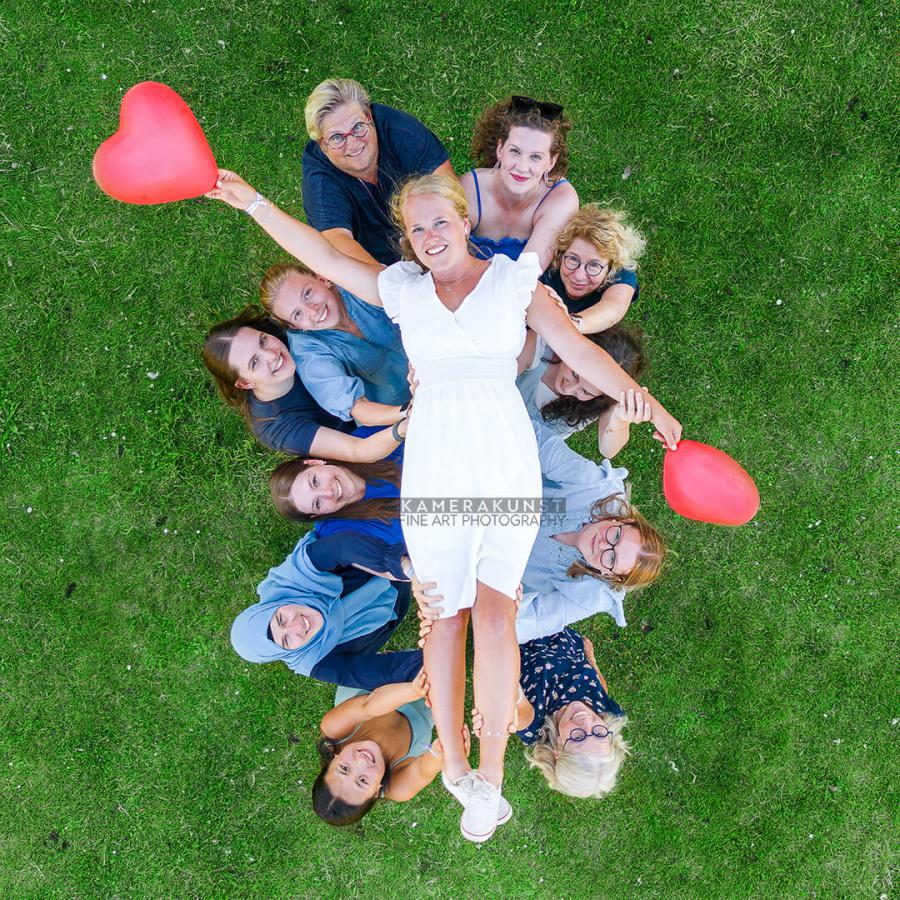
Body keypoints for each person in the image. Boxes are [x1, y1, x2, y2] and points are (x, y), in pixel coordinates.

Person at [205, 167, 681, 844]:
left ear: (463, 222)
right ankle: (458, 769)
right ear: (408, 238)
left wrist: (648, 404)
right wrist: (253, 203)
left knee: (495, 613)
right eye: (416, 228)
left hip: (504, 458)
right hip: (433, 464)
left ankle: (490, 775)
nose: (429, 236)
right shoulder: (402, 289)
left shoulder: (515, 282)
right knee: (444, 619)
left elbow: (576, 347)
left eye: (440, 222)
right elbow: (324, 258)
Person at [202, 307, 408, 461]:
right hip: (372, 432)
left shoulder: (289, 334)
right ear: (245, 382)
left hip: (378, 375)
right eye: (255, 362)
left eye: (263, 341)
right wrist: (407, 421)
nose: (272, 355)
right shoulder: (276, 426)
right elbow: (357, 450)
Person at [230, 533, 420, 689]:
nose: (296, 626)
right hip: (392, 612)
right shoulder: (313, 661)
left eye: (281, 619)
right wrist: (440, 659)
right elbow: (383, 673)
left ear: (273, 606)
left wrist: (403, 567)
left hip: (383, 552)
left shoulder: (293, 579)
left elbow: (341, 547)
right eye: (286, 640)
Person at [301, 78, 454, 266]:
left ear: (370, 118)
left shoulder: (400, 131)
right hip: (376, 260)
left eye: (358, 127)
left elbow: (449, 193)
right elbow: (335, 241)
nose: (353, 143)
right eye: (337, 137)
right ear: (323, 145)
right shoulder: (320, 179)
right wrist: (389, 281)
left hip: (431, 233)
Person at [313, 676, 490, 827]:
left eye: (344, 768)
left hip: (372, 682)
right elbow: (424, 769)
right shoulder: (399, 789)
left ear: (333, 759)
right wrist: (446, 750)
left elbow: (369, 704)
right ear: (376, 791)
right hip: (421, 707)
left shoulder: (334, 729)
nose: (360, 762)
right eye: (362, 780)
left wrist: (414, 690)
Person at [473, 628, 629, 799]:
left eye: (578, 737)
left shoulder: (531, 723)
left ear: (558, 749)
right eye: (599, 734)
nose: (586, 722)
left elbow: (502, 673)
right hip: (559, 630)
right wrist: (591, 659)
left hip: (514, 631)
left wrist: (492, 714)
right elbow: (601, 687)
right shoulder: (603, 710)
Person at [259, 262, 411, 425]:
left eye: (308, 294)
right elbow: (358, 408)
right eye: (297, 314)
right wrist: (409, 412)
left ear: (323, 279)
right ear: (294, 326)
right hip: (396, 417)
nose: (312, 310)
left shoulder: (353, 281)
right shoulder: (308, 352)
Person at [459, 95, 578, 269]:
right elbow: (448, 259)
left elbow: (526, 274)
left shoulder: (560, 198)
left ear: (551, 162)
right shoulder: (470, 187)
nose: (522, 167)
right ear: (500, 149)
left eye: (536, 157)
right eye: (515, 151)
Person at [269, 438, 408, 581]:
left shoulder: (363, 442)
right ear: (317, 515)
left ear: (314, 463)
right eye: (317, 504)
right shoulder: (336, 534)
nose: (328, 493)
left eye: (315, 482)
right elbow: (389, 571)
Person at [517, 325, 649, 458]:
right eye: (575, 374)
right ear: (576, 347)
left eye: (585, 392)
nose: (568, 389)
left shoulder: (601, 401)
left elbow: (608, 451)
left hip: (526, 454)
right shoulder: (541, 345)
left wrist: (620, 419)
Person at [542, 205, 646, 333]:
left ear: (610, 268)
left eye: (594, 266)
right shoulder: (546, 263)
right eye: (573, 259)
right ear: (561, 254)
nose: (578, 276)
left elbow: (613, 308)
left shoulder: (621, 271)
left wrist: (571, 325)